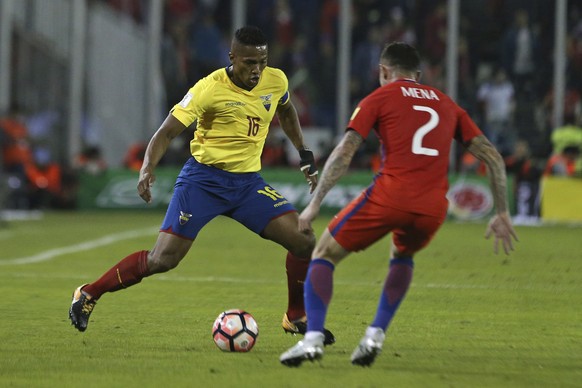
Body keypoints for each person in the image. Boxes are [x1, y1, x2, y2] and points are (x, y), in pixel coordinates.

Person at [68, 26, 335, 345]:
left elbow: (287, 110)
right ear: (232, 57)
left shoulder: (275, 80)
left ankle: (295, 317)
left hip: (247, 185)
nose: (256, 70)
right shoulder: (209, 89)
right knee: (162, 260)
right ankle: (88, 293)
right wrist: (147, 167)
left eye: (262, 62)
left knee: (304, 239)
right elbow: (166, 132)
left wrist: (304, 152)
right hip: (203, 181)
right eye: (249, 62)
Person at [279, 42, 518, 367]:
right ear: (418, 75)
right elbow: (492, 156)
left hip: (390, 196)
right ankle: (375, 334)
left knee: (323, 254)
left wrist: (314, 203)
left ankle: (312, 339)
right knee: (402, 254)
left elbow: (345, 151)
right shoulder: (448, 104)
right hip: (433, 208)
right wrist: (502, 211)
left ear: (383, 72)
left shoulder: (380, 97)